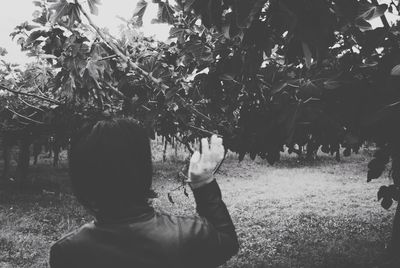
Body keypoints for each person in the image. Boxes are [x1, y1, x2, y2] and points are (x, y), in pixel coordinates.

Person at [49, 117, 239, 268]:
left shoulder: (66, 253)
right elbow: (227, 241)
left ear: (81, 178)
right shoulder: (188, 234)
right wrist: (203, 182)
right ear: (143, 169)